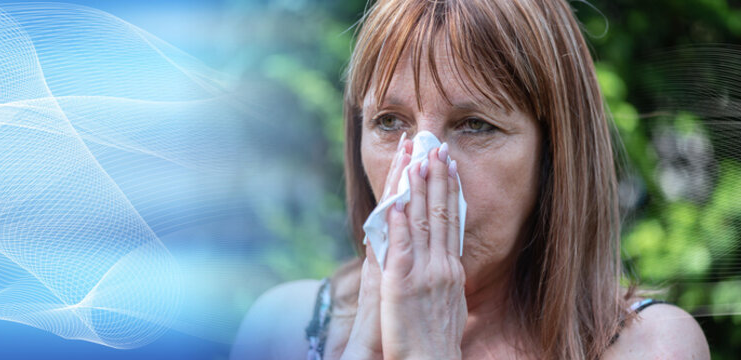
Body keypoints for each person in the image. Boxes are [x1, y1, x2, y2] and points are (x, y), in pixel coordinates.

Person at [230, 0, 711, 358]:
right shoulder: (281, 331)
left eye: (475, 125)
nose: (421, 171)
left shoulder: (650, 347)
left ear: (553, 154)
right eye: (389, 122)